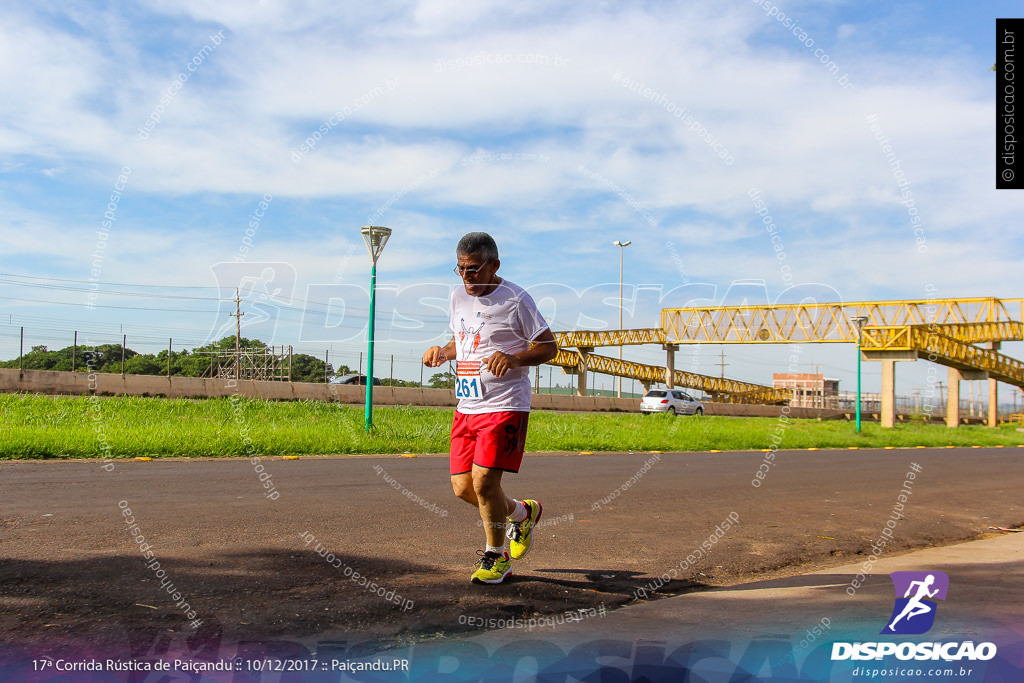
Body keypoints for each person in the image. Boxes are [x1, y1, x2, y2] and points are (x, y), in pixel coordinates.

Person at [422, 232, 559, 584]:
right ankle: (521, 513)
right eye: (461, 270)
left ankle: (496, 558)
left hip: (505, 404)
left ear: (494, 265)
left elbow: (548, 347)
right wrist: (442, 351)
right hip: (468, 405)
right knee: (463, 488)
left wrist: (514, 358)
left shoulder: (516, 299)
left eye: (473, 270)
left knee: (484, 482)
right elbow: (462, 340)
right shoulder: (457, 297)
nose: (466, 278)